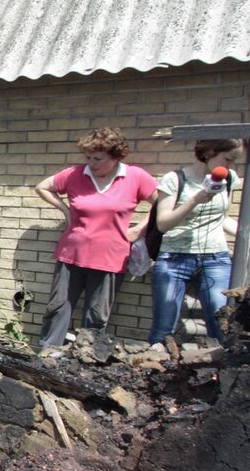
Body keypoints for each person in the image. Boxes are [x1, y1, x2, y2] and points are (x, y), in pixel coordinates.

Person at [34, 127, 158, 352]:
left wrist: (139, 230)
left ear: (116, 156)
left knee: (97, 313)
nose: (92, 163)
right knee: (58, 307)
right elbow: (42, 187)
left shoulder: (135, 177)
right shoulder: (75, 174)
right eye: (88, 157)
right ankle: (47, 353)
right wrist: (65, 210)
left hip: (110, 257)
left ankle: (87, 356)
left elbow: (162, 204)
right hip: (72, 253)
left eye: (98, 158)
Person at [147, 139, 244, 346]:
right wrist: (194, 200)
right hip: (174, 258)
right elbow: (163, 224)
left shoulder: (229, 178)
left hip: (215, 258)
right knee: (164, 327)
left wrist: (246, 236)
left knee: (221, 321)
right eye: (227, 159)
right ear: (209, 152)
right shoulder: (175, 179)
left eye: (234, 161)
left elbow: (222, 217)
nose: (231, 166)